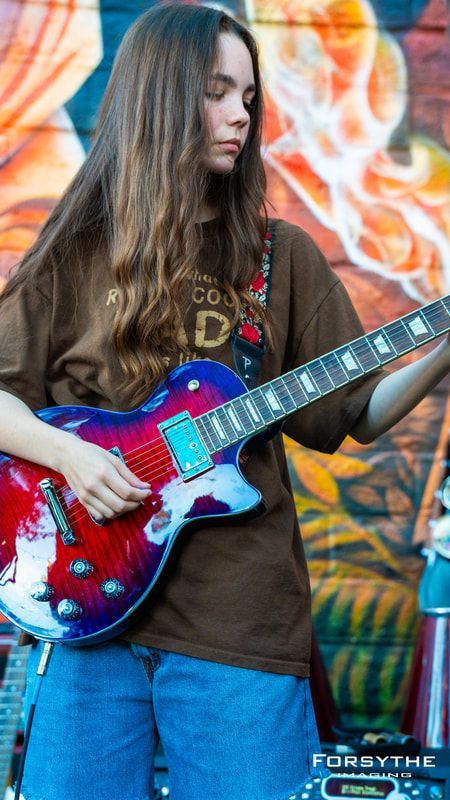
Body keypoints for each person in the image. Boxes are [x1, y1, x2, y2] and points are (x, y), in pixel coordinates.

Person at [0, 5, 448, 800]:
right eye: (217, 91)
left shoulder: (282, 257)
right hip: (87, 613)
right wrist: (71, 454)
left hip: (241, 627)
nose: (241, 113)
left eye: (248, 95)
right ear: (161, 96)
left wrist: (444, 348)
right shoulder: (77, 247)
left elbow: (352, 415)